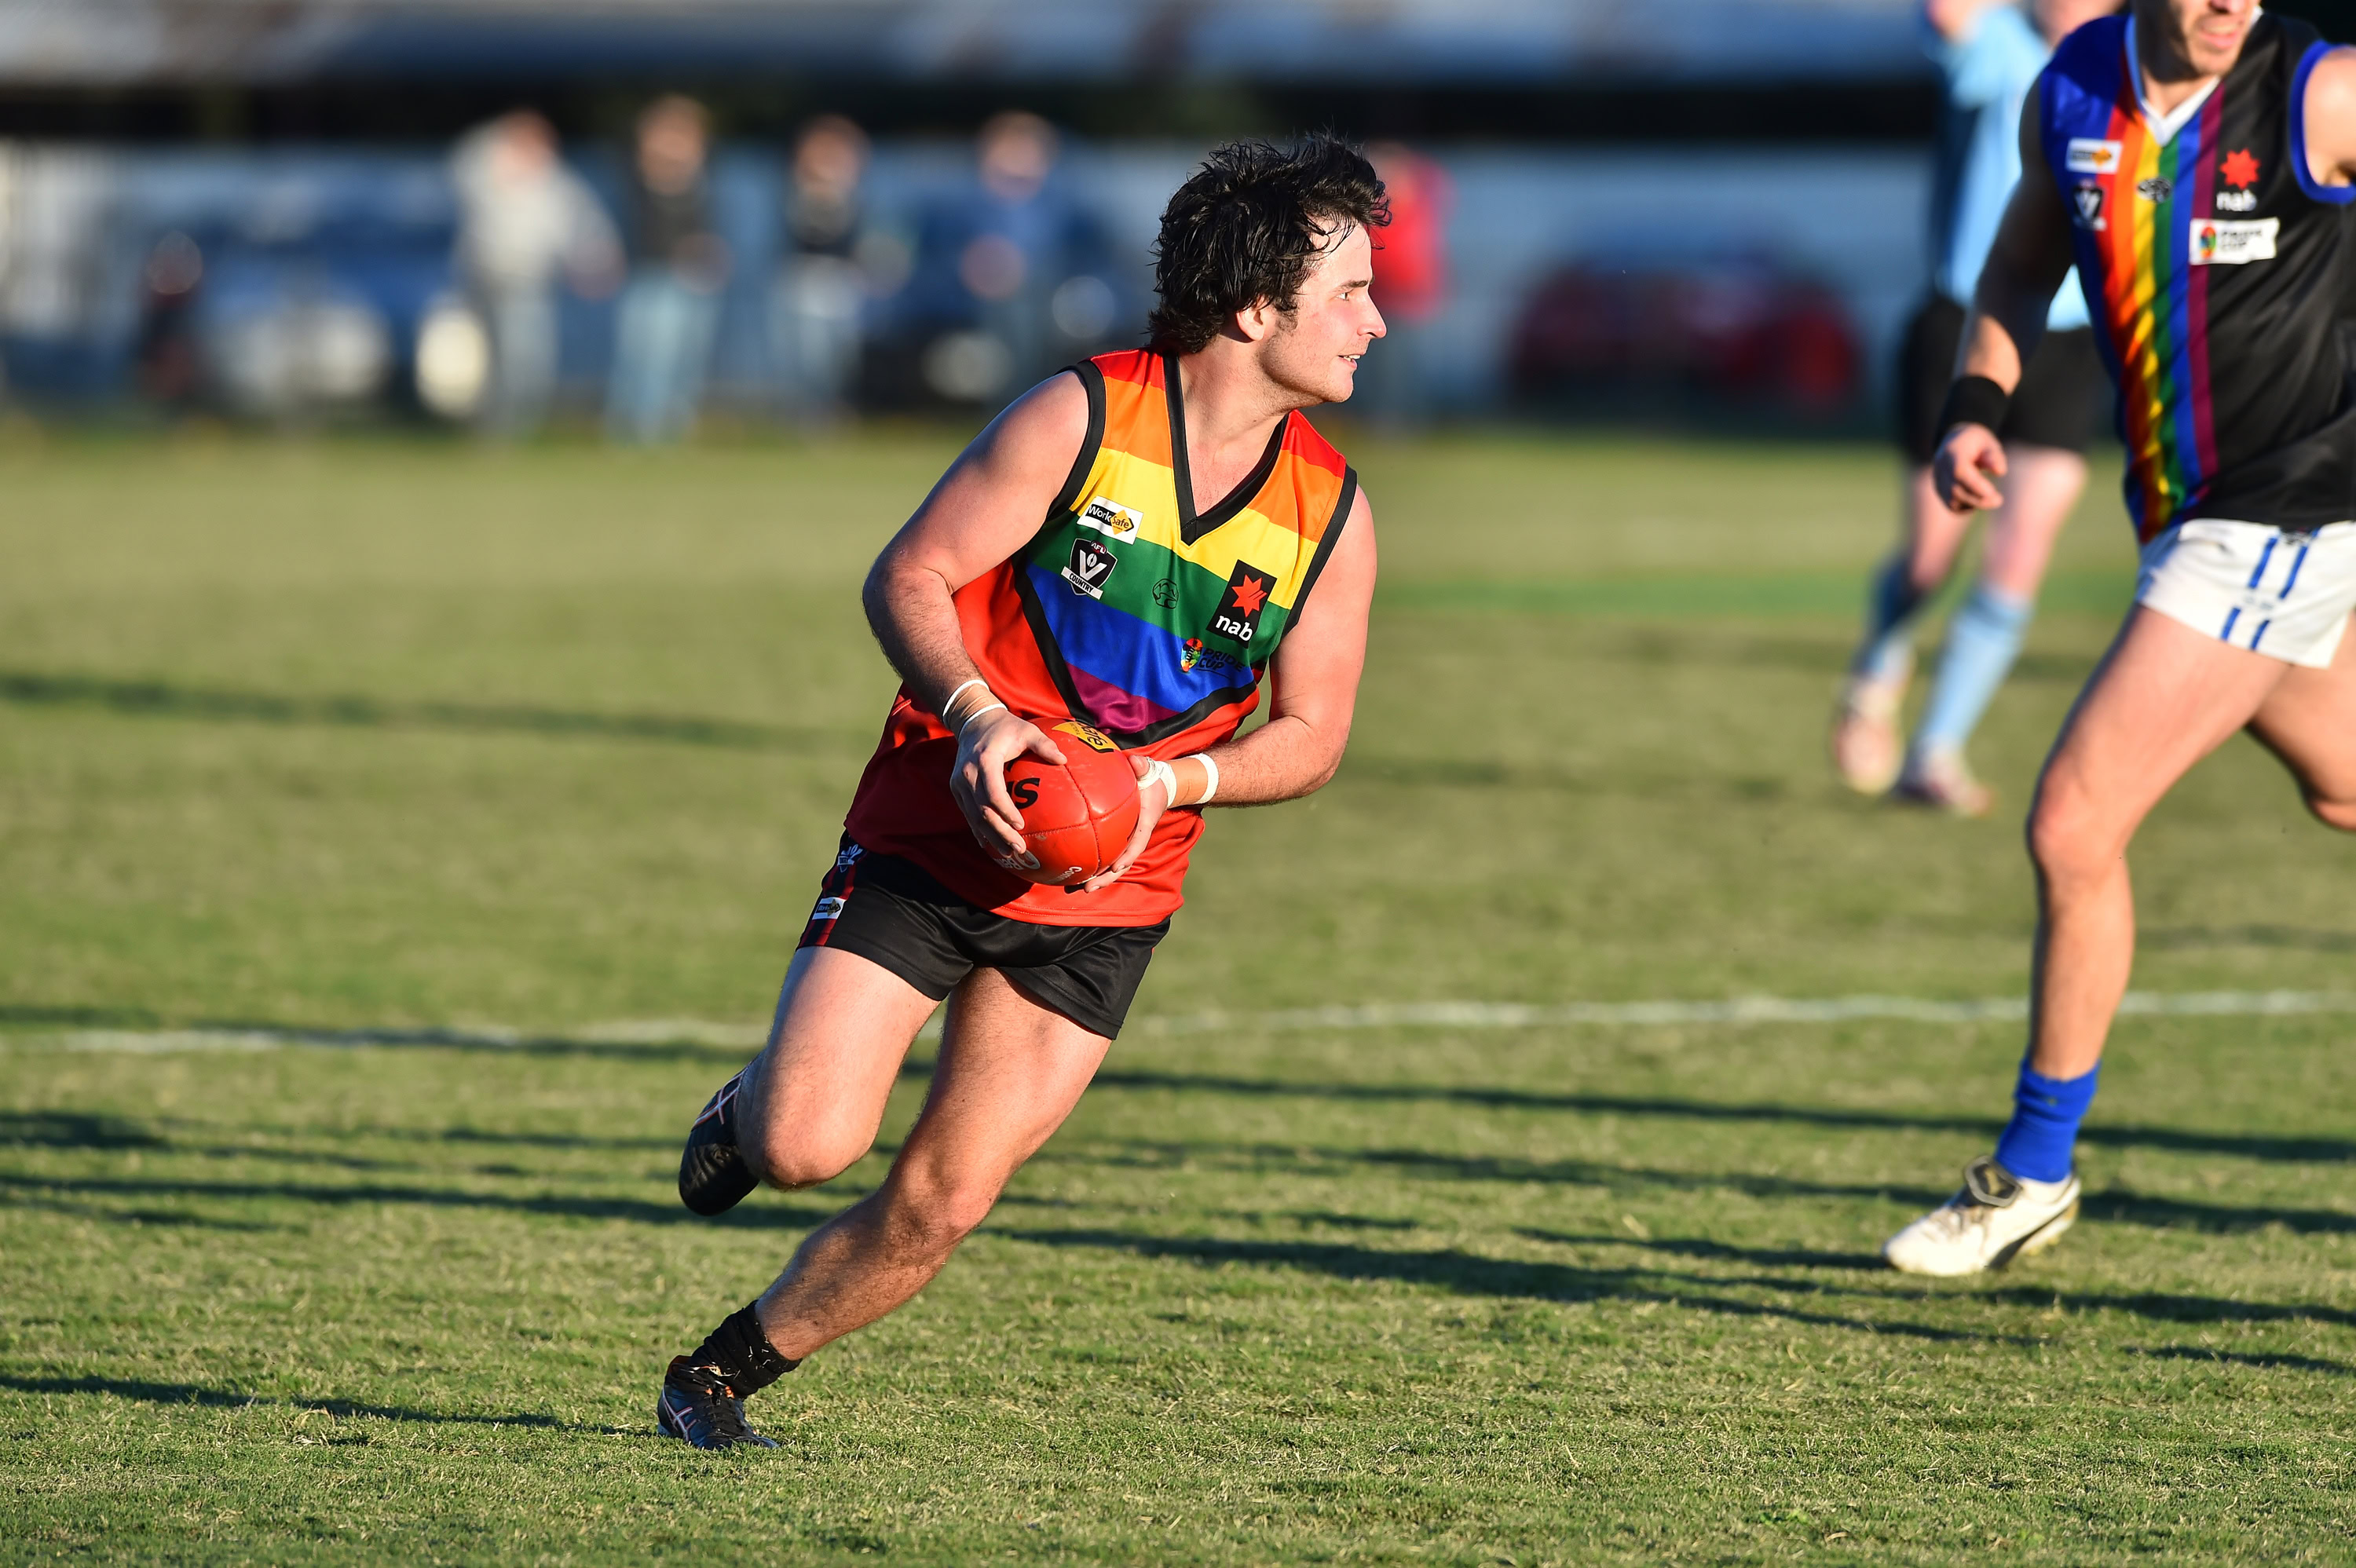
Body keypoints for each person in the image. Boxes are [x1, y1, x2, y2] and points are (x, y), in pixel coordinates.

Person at [653, 135, 1387, 1447]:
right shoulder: (1084, 417)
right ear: (1255, 305)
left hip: (1112, 890)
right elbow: (910, 575)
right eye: (1348, 293)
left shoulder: (1333, 508)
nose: (1377, 323)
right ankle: (748, 1114)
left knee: (943, 1199)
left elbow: (1316, 731)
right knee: (811, 1140)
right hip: (938, 837)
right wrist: (982, 720)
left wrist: (1170, 782)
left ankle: (716, 1375)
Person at [1883, 0, 2356, 1276]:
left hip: (2286, 514)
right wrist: (1978, 399)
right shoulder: (2075, 88)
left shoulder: (2319, 96)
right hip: (2185, 515)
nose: (2230, 7)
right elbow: (2020, 266)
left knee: (2073, 821)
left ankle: (2030, 1170)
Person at [1833, 0, 2122, 816]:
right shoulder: (1999, 45)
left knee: (2021, 553)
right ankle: (1878, 667)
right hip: (1966, 325)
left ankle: (1935, 751)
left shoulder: (2128, 66)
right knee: (1930, 558)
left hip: (2069, 338)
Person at [448, 111, 619, 437]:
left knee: (526, 355)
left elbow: (583, 225)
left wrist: (596, 260)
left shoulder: (554, 183)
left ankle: (514, 425)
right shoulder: (484, 169)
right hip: (484, 277)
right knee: (487, 359)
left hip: (528, 280)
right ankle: (492, 427)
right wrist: (500, 147)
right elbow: (465, 169)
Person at [606, 95, 729, 444]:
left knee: (685, 359)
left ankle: (671, 429)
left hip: (692, 279)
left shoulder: (701, 182)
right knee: (644, 357)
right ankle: (634, 430)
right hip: (649, 276)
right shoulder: (636, 176)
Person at [770, 115, 872, 425]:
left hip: (839, 283)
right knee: (805, 355)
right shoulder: (794, 193)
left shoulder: (854, 197)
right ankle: (807, 415)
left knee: (837, 357)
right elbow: (800, 233)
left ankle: (831, 411)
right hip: (803, 281)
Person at [1357, 141, 1453, 429]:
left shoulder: (1414, 205)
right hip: (1383, 295)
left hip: (1407, 296)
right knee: (1385, 365)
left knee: (1401, 365)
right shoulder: (1383, 208)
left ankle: (1398, 420)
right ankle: (1389, 418)